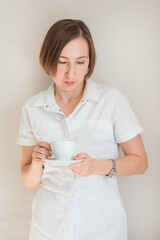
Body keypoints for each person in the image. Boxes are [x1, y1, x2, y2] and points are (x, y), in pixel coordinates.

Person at [16, 19, 148, 240]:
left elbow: (140, 162)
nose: (71, 73)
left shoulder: (111, 101)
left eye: (80, 62)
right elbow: (29, 180)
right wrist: (37, 161)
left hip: (102, 228)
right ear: (48, 59)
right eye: (62, 61)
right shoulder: (32, 108)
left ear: (89, 62)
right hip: (48, 228)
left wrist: (96, 166)